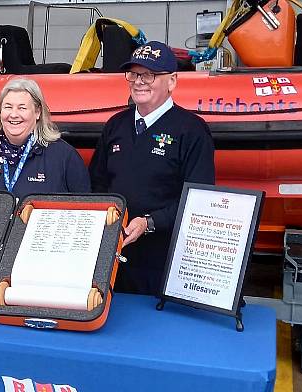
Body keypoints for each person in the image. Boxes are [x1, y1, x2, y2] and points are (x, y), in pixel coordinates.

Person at [89, 41, 215, 295]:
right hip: (113, 258)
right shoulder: (115, 126)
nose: (139, 81)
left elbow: (198, 198)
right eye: (133, 74)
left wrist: (150, 222)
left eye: (149, 75)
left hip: (161, 262)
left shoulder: (191, 130)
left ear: (172, 81)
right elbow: (97, 183)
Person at [0, 78, 90, 199]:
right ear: (0, 112)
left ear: (37, 112)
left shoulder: (64, 156)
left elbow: (85, 207)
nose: (14, 114)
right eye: (8, 107)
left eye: (22, 108)